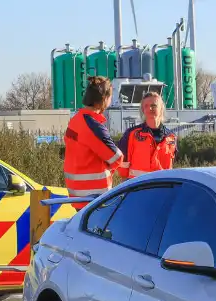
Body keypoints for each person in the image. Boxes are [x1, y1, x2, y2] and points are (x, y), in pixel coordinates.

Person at [63, 77, 123, 208]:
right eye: (110, 96)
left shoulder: (75, 120)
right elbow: (117, 158)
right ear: (104, 98)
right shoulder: (93, 126)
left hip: (76, 195)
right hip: (96, 197)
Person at [116, 93, 176, 179]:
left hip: (162, 187)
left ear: (161, 108)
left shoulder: (171, 138)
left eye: (154, 105)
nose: (150, 108)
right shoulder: (131, 134)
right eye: (146, 106)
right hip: (138, 188)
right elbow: (122, 165)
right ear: (142, 110)